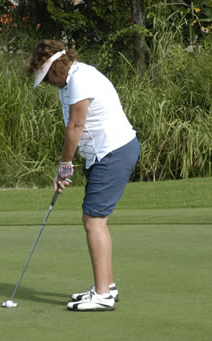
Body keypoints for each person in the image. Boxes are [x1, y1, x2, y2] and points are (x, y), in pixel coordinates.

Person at [27, 40, 140, 311]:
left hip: (113, 152)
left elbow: (75, 126)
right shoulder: (69, 82)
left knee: (93, 219)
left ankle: (102, 295)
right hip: (104, 154)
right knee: (95, 218)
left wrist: (65, 165)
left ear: (56, 66)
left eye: (47, 76)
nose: (47, 83)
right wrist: (66, 165)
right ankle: (107, 287)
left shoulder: (79, 80)